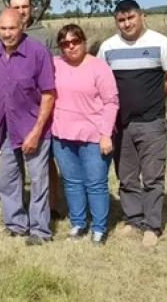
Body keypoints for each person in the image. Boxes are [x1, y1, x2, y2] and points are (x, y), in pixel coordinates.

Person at [97, 0, 167, 248]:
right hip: (120, 125)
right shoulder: (108, 47)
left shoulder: (161, 43)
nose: (127, 24)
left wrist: (152, 98)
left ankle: (152, 226)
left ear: (141, 16)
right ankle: (133, 219)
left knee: (153, 176)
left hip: (152, 122)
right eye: (121, 20)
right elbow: (102, 83)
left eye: (130, 18)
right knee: (126, 175)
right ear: (116, 22)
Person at [0, 9, 56, 246]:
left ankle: (40, 230)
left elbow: (48, 94)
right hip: (5, 127)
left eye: (12, 28)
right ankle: (15, 224)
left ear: (22, 26)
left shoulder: (38, 52)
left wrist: (36, 131)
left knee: (38, 181)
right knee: (7, 179)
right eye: (3, 28)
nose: (7, 33)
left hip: (32, 126)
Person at [51, 24, 119, 246]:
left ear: (83, 42)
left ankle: (99, 228)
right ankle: (79, 223)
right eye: (65, 44)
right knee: (71, 182)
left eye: (75, 42)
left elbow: (111, 102)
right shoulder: (55, 65)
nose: (70, 47)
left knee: (96, 183)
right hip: (63, 135)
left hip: (94, 135)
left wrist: (106, 134)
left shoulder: (99, 68)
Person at [8, 0, 65, 220]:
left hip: (41, 104)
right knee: (15, 161)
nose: (21, 11)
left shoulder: (44, 35)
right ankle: (20, 206)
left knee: (45, 159)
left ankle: (50, 205)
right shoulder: (7, 32)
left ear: (31, 8)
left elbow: (55, 69)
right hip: (16, 108)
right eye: (17, 7)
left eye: (25, 6)